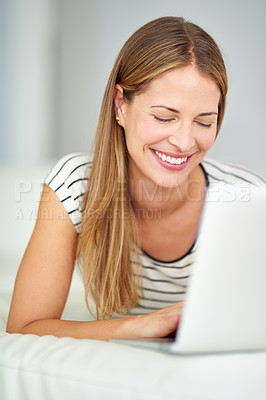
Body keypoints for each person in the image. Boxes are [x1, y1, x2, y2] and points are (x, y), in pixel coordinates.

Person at [6, 16, 265, 340]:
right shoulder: (75, 185)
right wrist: (142, 326)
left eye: (203, 121)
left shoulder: (250, 197)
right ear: (120, 105)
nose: (185, 142)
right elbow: (24, 329)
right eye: (164, 117)